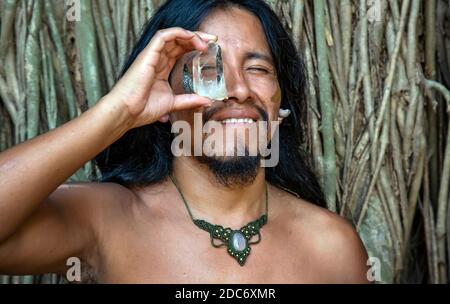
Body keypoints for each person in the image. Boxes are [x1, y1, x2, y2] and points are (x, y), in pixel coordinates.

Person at [0, 0, 369, 283]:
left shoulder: (332, 245)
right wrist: (120, 111)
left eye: (258, 69)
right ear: (161, 95)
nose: (238, 90)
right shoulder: (108, 219)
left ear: (280, 101)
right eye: (209, 69)